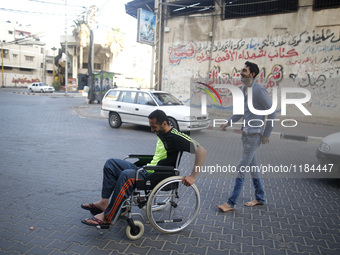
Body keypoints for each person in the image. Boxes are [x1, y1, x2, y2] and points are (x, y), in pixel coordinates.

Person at [81, 109, 207, 228]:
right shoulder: (162, 132)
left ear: (164, 123)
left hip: (156, 175)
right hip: (148, 169)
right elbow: (159, 156)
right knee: (111, 164)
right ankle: (104, 202)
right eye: (151, 126)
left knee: (126, 176)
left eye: (154, 127)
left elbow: (201, 151)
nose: (152, 130)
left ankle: (108, 217)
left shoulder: (176, 136)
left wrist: (193, 176)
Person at [216, 61, 276, 212]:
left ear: (252, 74)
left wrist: (267, 133)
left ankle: (231, 202)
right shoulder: (244, 89)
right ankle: (260, 197)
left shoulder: (258, 90)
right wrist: (227, 123)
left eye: (244, 70)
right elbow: (241, 111)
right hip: (246, 133)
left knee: (241, 168)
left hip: (255, 134)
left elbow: (272, 111)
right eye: (241, 70)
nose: (241, 72)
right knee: (253, 167)